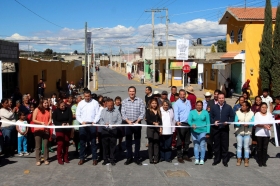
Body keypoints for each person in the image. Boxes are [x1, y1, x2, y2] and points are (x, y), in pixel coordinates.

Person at [121, 86, 145, 166]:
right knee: (128, 142)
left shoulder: (140, 101)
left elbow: (142, 112)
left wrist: (138, 121)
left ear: (135, 92)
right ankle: (129, 157)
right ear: (128, 92)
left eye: (133, 91)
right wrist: (128, 121)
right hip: (128, 123)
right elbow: (123, 113)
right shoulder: (124, 101)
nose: (132, 93)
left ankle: (137, 158)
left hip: (137, 123)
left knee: (137, 141)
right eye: (130, 91)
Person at [76, 90, 100, 166]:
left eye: (88, 96)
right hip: (83, 124)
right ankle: (82, 158)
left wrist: (95, 121)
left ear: (91, 96)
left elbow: (98, 113)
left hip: (92, 124)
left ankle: (94, 159)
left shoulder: (95, 103)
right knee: (82, 142)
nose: (87, 98)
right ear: (84, 96)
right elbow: (77, 115)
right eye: (85, 96)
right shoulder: (80, 103)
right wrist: (81, 122)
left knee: (93, 142)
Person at [210, 92, 234, 167]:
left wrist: (228, 122)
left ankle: (225, 160)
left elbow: (232, 117)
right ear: (217, 98)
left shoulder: (228, 107)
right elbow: (210, 117)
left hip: (225, 129)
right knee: (216, 145)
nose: (221, 99)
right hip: (216, 129)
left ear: (224, 98)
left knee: (225, 145)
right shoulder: (214, 107)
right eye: (219, 98)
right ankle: (217, 159)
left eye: (222, 98)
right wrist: (214, 122)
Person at [99, 99, 122, 166]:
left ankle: (112, 159)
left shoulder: (116, 111)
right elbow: (100, 120)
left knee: (113, 146)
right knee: (105, 146)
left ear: (113, 104)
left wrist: (115, 125)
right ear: (106, 104)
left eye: (111, 105)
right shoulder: (103, 111)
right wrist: (104, 124)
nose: (110, 106)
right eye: (109, 105)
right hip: (105, 130)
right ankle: (105, 159)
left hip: (113, 130)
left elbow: (119, 120)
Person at [188, 101, 210, 165]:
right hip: (194, 131)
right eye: (198, 105)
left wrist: (208, 132)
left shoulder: (206, 113)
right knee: (196, 145)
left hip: (203, 131)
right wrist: (192, 124)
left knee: (202, 145)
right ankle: (197, 158)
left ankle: (202, 159)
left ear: (202, 106)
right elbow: (189, 120)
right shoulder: (192, 112)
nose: (199, 106)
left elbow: (208, 123)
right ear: (195, 105)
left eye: (200, 105)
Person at [173, 89, 192, 163]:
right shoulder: (177, 103)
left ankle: (185, 155)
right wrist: (177, 121)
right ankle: (179, 156)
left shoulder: (188, 102)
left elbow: (190, 111)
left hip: (188, 123)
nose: (182, 96)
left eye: (184, 94)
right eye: (181, 94)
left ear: (185, 94)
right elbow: (176, 113)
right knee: (180, 140)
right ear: (179, 95)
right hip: (181, 123)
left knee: (187, 141)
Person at [32, 98, 52, 166]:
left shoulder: (49, 110)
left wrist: (48, 124)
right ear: (42, 103)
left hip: (46, 129)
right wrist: (41, 123)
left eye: (47, 103)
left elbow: (50, 119)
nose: (46, 104)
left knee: (46, 145)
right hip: (38, 129)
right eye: (45, 103)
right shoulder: (37, 109)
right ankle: (38, 159)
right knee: (38, 146)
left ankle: (46, 159)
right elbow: (33, 119)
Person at [234, 101, 254, 167]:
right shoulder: (237, 113)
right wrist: (240, 124)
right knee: (239, 146)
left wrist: (248, 125)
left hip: (247, 132)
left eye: (243, 106)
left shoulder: (251, 113)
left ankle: (246, 159)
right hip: (239, 132)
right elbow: (235, 122)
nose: (242, 107)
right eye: (241, 105)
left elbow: (253, 122)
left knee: (246, 146)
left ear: (247, 106)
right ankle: (239, 159)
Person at [52, 100, 73, 165]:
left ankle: (65, 157)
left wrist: (68, 123)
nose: (63, 107)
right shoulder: (55, 112)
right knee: (60, 144)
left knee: (66, 143)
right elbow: (54, 121)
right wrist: (61, 124)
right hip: (59, 129)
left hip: (67, 129)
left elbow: (70, 118)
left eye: (64, 105)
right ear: (58, 106)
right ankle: (59, 157)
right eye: (62, 106)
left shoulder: (68, 110)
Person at [254, 102, 273, 167]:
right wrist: (263, 126)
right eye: (262, 107)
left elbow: (272, 122)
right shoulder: (257, 114)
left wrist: (269, 126)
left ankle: (264, 161)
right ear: (260, 108)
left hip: (267, 134)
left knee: (265, 148)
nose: (264, 109)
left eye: (265, 107)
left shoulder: (269, 114)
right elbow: (256, 123)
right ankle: (259, 161)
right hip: (259, 133)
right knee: (259, 148)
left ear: (267, 108)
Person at [146, 98, 162, 164]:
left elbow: (160, 120)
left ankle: (156, 158)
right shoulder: (148, 111)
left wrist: (160, 127)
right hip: (150, 128)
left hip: (157, 129)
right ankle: (150, 158)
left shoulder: (159, 111)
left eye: (155, 103)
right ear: (150, 104)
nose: (154, 105)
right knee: (151, 143)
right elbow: (148, 120)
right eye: (153, 103)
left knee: (156, 143)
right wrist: (153, 123)